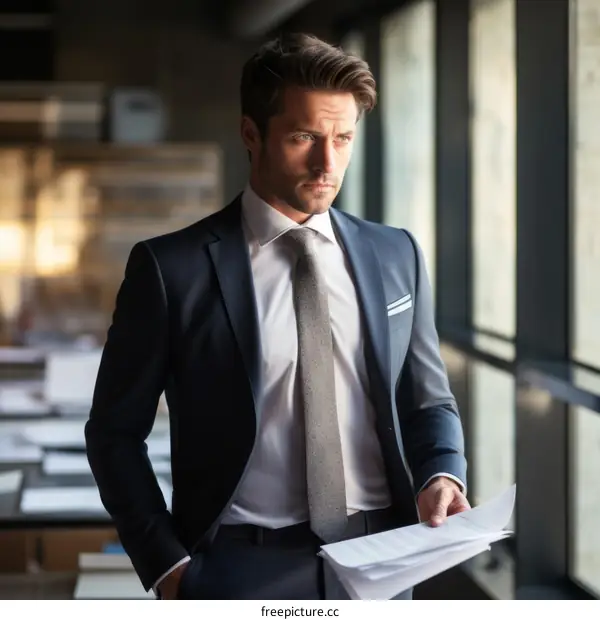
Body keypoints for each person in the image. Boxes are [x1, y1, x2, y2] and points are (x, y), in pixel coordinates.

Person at [85, 32, 469, 601]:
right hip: (237, 569)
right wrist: (167, 566)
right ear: (250, 133)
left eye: (343, 138)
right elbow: (114, 434)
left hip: (381, 564)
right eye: (303, 137)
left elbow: (427, 399)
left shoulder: (398, 255)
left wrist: (442, 472)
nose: (327, 162)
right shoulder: (171, 270)